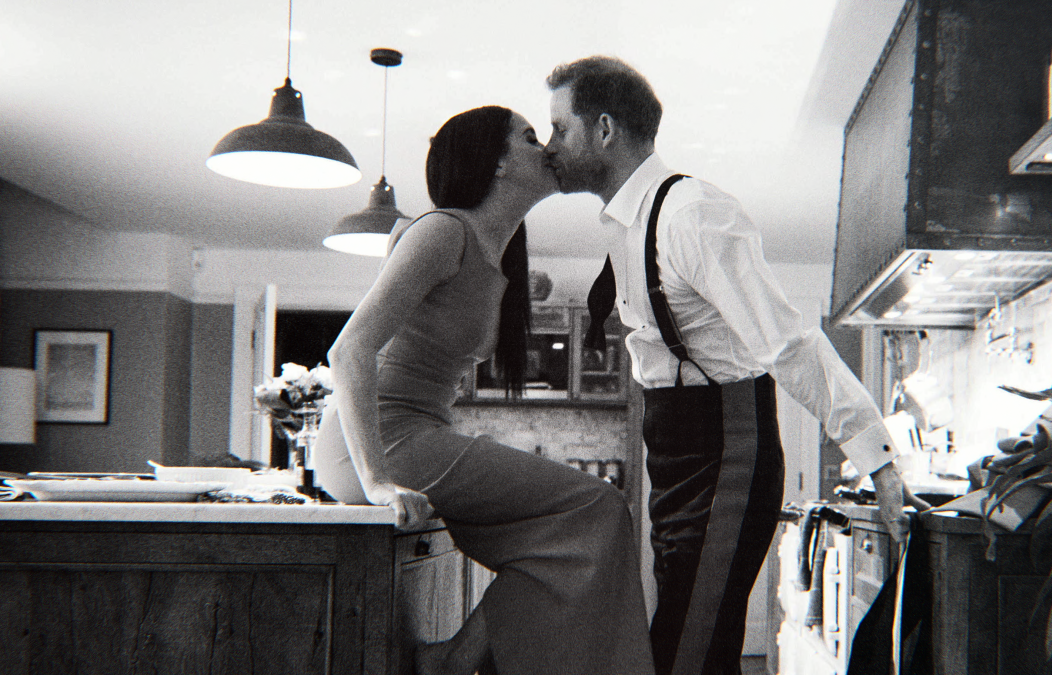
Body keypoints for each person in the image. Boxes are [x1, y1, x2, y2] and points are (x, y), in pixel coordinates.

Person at [543, 56, 928, 675]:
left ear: (604, 130)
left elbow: (789, 342)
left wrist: (878, 460)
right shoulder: (624, 222)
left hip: (726, 448)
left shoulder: (691, 212)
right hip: (671, 450)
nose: (551, 146)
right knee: (688, 642)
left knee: (687, 649)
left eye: (561, 129)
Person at [322, 105, 654, 675]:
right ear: (497, 162)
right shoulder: (442, 231)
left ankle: (456, 659)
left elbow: (459, 309)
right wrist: (377, 482)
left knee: (571, 541)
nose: (546, 146)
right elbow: (348, 349)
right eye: (530, 137)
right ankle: (455, 661)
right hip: (378, 441)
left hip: (414, 433)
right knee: (598, 508)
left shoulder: (495, 252)